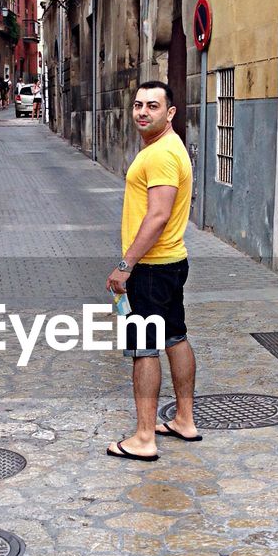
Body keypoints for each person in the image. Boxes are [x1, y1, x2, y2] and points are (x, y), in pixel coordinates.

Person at [106, 80, 199, 463]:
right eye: (138, 105)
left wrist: (126, 265)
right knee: (175, 337)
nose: (143, 112)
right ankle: (184, 419)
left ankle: (144, 437)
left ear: (170, 112)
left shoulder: (160, 154)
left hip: (150, 268)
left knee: (145, 348)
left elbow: (158, 215)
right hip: (171, 262)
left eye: (153, 106)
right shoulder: (169, 147)